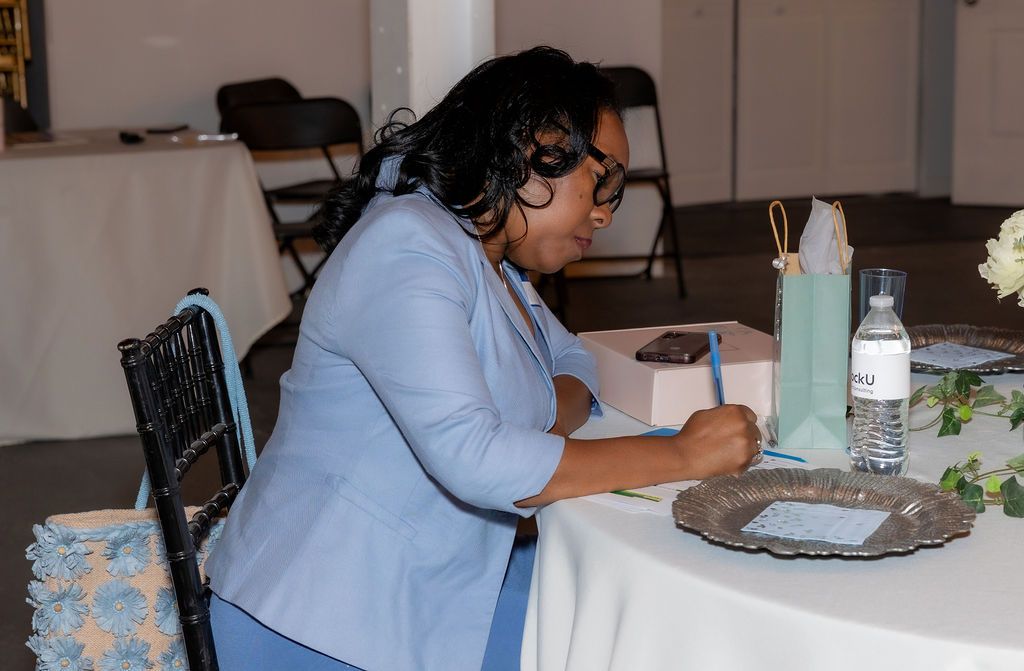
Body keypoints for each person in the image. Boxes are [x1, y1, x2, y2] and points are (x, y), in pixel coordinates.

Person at [205, 46, 760, 671]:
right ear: (535, 149)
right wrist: (681, 455)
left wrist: (533, 439)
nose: (605, 212)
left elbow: (572, 357)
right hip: (330, 614)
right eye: (603, 182)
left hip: (428, 576)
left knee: (629, 619)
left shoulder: (487, 255)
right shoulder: (407, 245)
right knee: (626, 642)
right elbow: (476, 457)